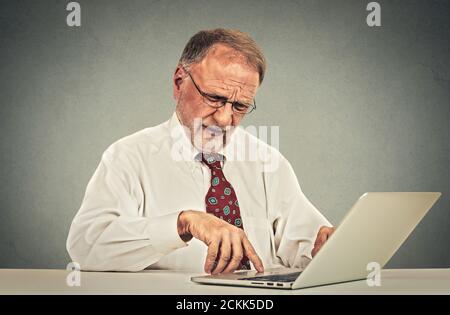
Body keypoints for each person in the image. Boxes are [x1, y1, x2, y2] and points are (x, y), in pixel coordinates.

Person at [67, 28, 335, 274]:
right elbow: (86, 246)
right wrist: (182, 223)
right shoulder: (128, 157)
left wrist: (324, 247)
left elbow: (306, 244)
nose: (224, 119)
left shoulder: (268, 162)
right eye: (215, 98)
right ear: (179, 81)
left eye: (240, 106)